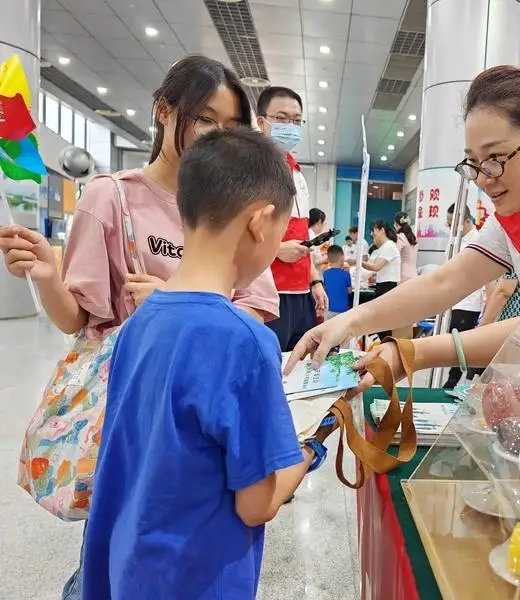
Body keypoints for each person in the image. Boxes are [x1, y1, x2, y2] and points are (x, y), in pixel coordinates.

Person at [0, 55, 279, 600]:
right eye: (205, 119)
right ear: (164, 110)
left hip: (205, 407)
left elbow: (256, 306)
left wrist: (180, 307)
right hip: (133, 407)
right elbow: (80, 319)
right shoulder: (112, 196)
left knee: (194, 529)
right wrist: (48, 277)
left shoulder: (236, 202)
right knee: (117, 535)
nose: (216, 136)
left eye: (231, 126)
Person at [285, 62, 520, 384]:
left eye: (495, 158)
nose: (483, 179)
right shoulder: (516, 213)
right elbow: (446, 281)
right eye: (473, 163)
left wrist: (413, 353)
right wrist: (352, 321)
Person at [82, 128, 328, 600]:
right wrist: (312, 447)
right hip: (198, 577)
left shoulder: (138, 322)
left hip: (129, 565)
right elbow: (256, 504)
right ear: (260, 222)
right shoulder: (245, 340)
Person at [256, 86, 328, 351]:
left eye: (297, 121)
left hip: (301, 293)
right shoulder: (250, 170)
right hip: (266, 292)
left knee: (301, 365)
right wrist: (276, 250)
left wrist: (315, 281)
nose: (290, 126)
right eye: (281, 118)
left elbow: (302, 235)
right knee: (268, 365)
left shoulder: (297, 172)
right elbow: (232, 233)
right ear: (261, 122)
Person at [443, 204, 484, 389]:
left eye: (453, 223)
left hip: (469, 303)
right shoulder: (455, 240)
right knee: (453, 342)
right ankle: (456, 379)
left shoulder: (477, 241)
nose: (450, 227)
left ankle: (453, 381)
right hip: (454, 300)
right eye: (448, 223)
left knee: (460, 345)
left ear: (467, 221)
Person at [361, 220, 401, 339]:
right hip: (383, 286)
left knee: (384, 324)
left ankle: (387, 346)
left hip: (388, 286)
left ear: (382, 230)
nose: (372, 234)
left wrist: (358, 262)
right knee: (381, 323)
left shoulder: (389, 246)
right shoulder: (383, 248)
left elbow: (376, 267)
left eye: (373, 231)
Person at [323, 244, 351, 319]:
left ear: (328, 259)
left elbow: (324, 289)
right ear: (342, 258)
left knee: (328, 326)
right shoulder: (346, 274)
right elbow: (349, 291)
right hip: (342, 310)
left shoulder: (325, 273)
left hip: (328, 309)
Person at [393, 211, 418, 282]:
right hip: (414, 274)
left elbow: (394, 254)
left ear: (396, 224)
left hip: (402, 275)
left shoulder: (399, 237)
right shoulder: (414, 238)